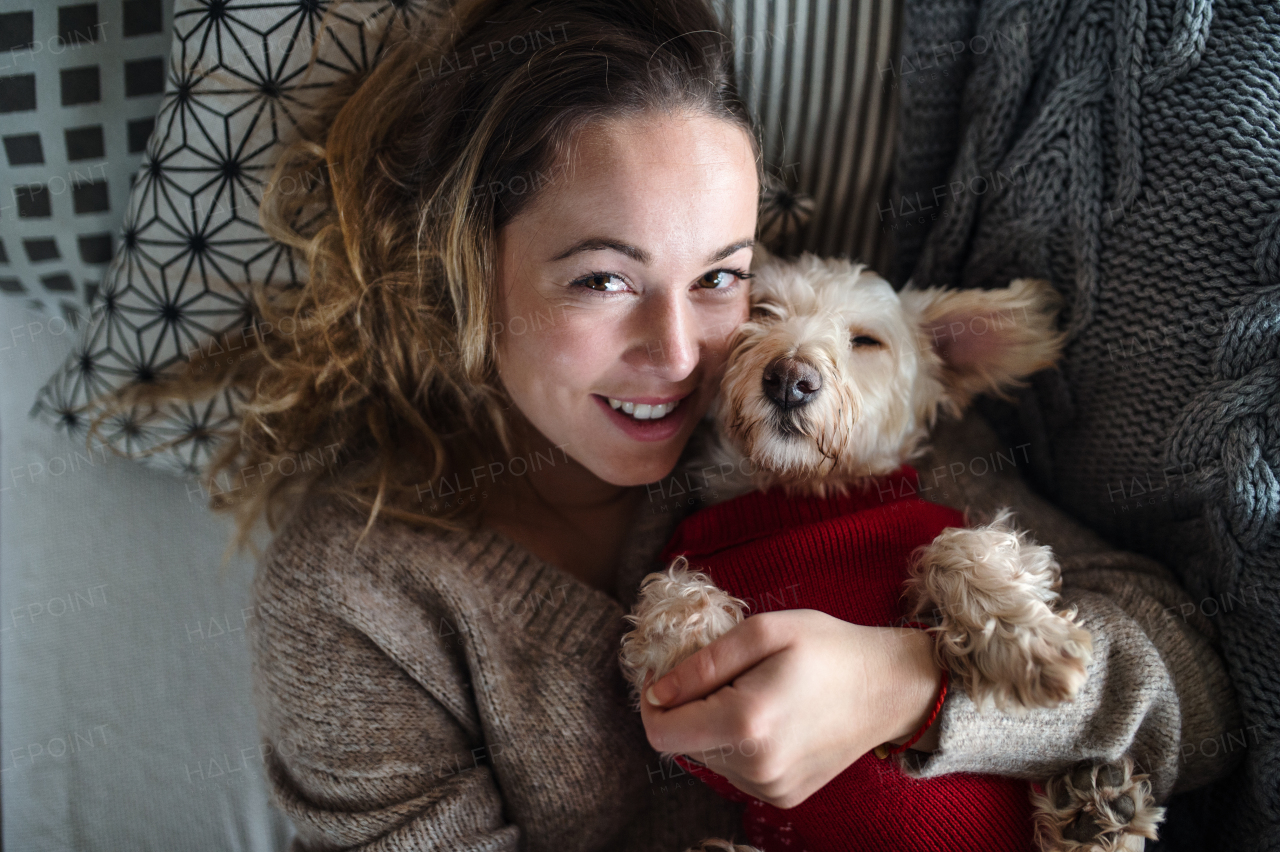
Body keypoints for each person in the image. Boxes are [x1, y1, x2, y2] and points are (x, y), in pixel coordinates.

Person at [132, 0, 1240, 847]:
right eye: (604, 281)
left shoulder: (842, 435)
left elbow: (1194, 689)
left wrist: (910, 686)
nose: (679, 356)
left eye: (719, 277)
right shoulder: (355, 602)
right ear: (468, 275)